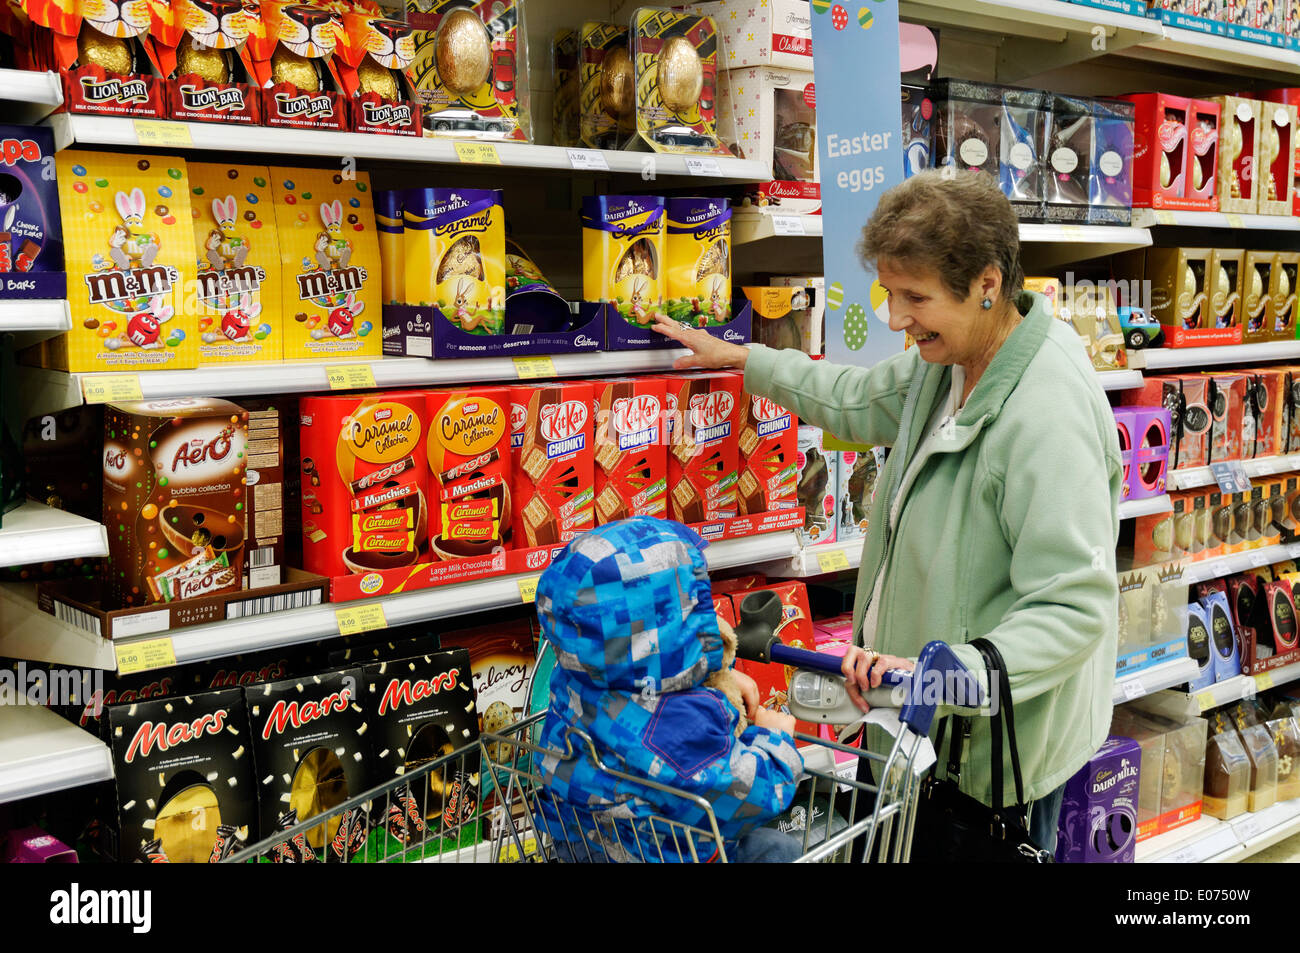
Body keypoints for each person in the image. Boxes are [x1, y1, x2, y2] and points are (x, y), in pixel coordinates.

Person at [653, 169, 1121, 855]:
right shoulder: (952, 359)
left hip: (994, 764)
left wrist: (949, 669)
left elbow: (1075, 606)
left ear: (987, 284)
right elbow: (858, 397)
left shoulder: (1047, 413)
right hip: (917, 730)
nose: (895, 318)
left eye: (915, 297)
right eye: (890, 293)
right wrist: (746, 359)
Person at [532, 518, 805, 862]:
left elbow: (647, 676)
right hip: (663, 851)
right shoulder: (678, 725)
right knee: (782, 849)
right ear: (668, 620)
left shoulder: (575, 678)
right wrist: (774, 741)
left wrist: (713, 675)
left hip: (586, 847)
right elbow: (746, 799)